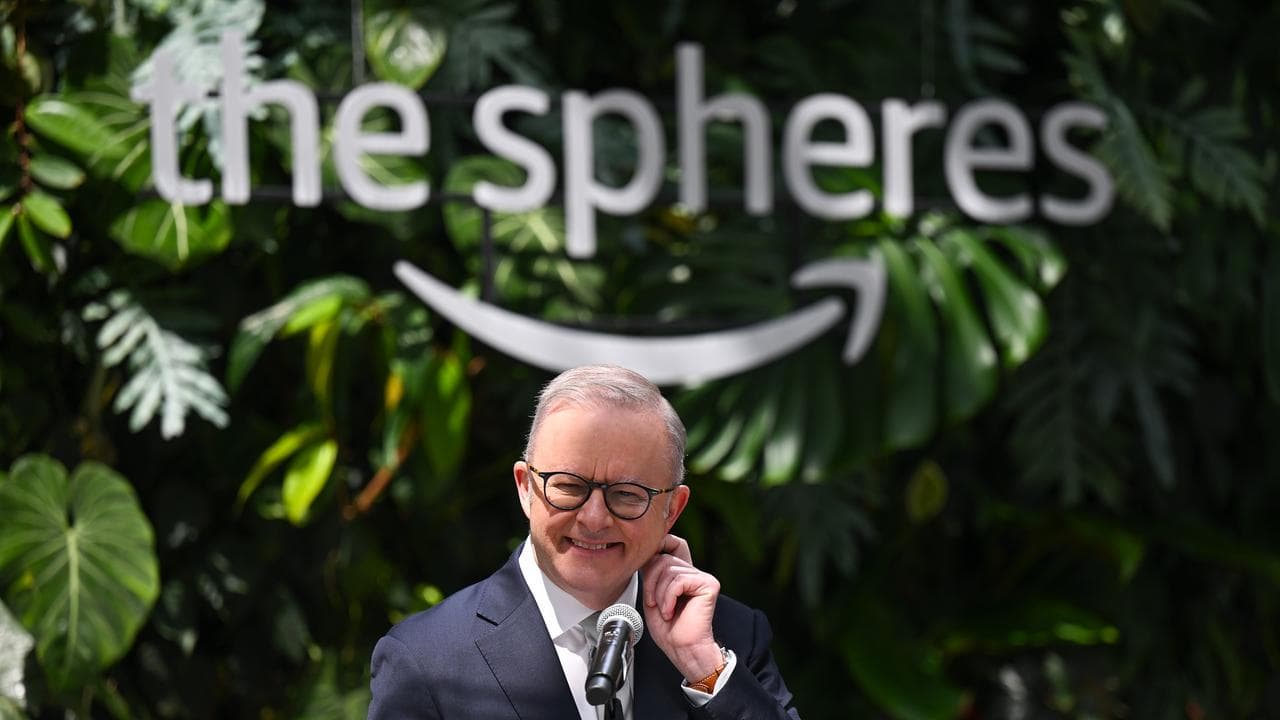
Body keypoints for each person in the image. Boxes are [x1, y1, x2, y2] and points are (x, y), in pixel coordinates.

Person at [368, 365, 800, 719]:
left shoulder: (727, 639)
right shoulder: (427, 660)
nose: (594, 518)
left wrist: (703, 667)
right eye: (569, 486)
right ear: (525, 488)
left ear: (672, 510)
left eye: (627, 495)